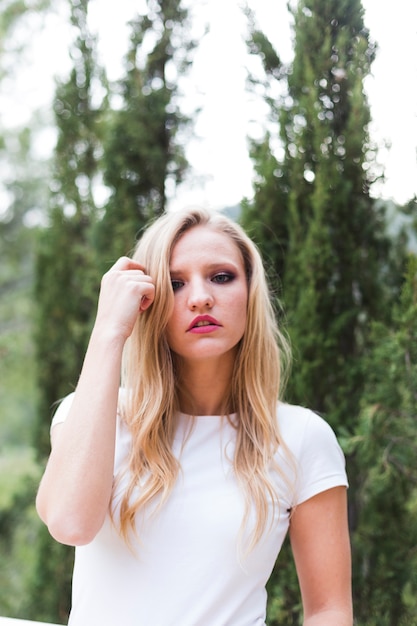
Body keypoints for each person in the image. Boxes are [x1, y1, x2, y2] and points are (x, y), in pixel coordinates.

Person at [36, 206, 353, 626]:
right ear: (150, 301)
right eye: (175, 283)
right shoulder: (94, 414)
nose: (201, 297)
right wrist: (110, 329)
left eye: (221, 277)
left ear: (250, 292)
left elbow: (329, 610)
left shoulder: (301, 437)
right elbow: (69, 523)